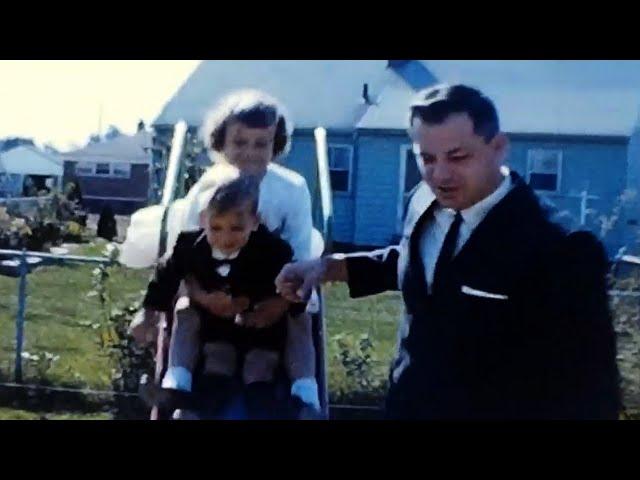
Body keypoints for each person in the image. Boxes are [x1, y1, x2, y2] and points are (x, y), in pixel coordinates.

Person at [276, 84, 621, 420]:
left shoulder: (561, 247)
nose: (440, 174)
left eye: (458, 157)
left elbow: (591, 388)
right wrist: (329, 267)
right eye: (426, 158)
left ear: (498, 147)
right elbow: (422, 265)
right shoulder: (422, 201)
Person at [132, 165, 304, 419]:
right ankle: (182, 395)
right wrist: (147, 313)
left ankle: (288, 410)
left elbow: (293, 286)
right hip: (217, 328)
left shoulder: (274, 250)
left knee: (259, 367)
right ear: (203, 220)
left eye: (236, 228)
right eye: (216, 227)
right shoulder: (189, 246)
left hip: (259, 326)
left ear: (254, 223)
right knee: (218, 361)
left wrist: (274, 303)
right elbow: (165, 277)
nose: (226, 237)